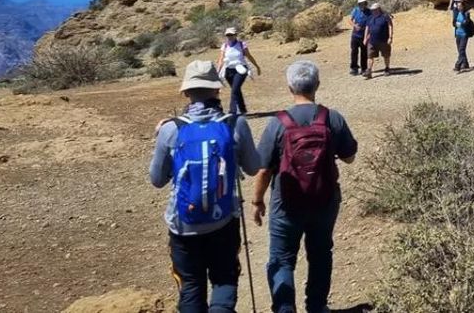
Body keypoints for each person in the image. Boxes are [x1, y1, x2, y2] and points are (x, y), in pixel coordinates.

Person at [150, 60, 261, 313]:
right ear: (217, 90)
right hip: (223, 220)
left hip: (183, 225)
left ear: (186, 93)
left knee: (190, 285)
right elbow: (253, 168)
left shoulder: (171, 129)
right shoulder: (234, 124)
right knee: (224, 279)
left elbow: (157, 179)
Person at [252, 60, 358, 313]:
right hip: (325, 199)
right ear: (317, 84)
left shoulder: (278, 123)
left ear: (290, 87)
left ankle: (285, 308)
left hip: (286, 203)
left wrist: (257, 201)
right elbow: (350, 157)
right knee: (320, 254)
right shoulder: (331, 117)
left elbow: (264, 168)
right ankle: (317, 306)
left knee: (282, 259)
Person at [216, 27, 261, 114]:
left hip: (241, 69)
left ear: (235, 35)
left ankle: (232, 111)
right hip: (228, 71)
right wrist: (218, 72)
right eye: (228, 35)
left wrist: (257, 66)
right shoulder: (224, 46)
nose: (229, 37)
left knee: (235, 89)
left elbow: (249, 56)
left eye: (231, 35)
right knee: (236, 90)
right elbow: (221, 59)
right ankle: (243, 109)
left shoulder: (241, 44)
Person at [362, 3, 393, 79]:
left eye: (375, 9)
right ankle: (369, 71)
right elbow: (367, 28)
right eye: (372, 10)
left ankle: (387, 68)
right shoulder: (370, 17)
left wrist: (390, 37)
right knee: (370, 56)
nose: (373, 11)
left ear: (379, 9)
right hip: (372, 41)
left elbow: (390, 26)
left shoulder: (385, 16)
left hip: (384, 40)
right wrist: (365, 38)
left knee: (386, 55)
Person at [348, 0, 371, 76]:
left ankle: (364, 68)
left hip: (364, 35)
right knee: (354, 52)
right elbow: (350, 20)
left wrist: (367, 36)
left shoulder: (369, 12)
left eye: (364, 3)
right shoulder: (356, 10)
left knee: (364, 52)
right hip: (355, 35)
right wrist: (354, 25)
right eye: (360, 4)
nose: (362, 5)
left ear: (366, 3)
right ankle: (354, 68)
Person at [453, 1, 474, 72]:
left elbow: (466, 22)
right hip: (458, 34)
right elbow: (453, 23)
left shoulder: (466, 13)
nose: (459, 7)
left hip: (464, 34)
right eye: (458, 6)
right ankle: (465, 64)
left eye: (460, 6)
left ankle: (458, 65)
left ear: (463, 6)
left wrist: (460, 24)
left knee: (461, 50)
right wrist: (457, 24)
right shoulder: (456, 13)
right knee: (460, 51)